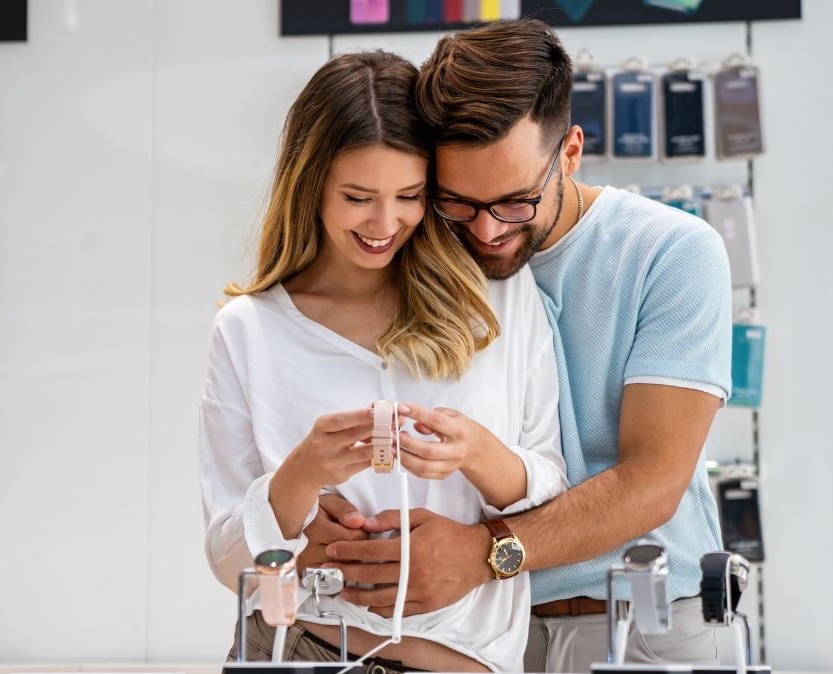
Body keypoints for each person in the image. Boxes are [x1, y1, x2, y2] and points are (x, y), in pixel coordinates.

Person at [302, 20, 734, 673]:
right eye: (458, 202)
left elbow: (652, 483)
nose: (486, 230)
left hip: (649, 623)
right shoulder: (427, 255)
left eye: (514, 202)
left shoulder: (671, 253)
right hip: (483, 635)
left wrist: (483, 551)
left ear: (570, 152)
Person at [199, 50, 568, 674]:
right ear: (309, 183)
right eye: (358, 196)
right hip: (296, 651)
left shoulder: (495, 296)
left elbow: (550, 484)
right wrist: (299, 476)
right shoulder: (248, 331)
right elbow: (227, 559)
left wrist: (476, 453)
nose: (384, 222)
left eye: (409, 195)